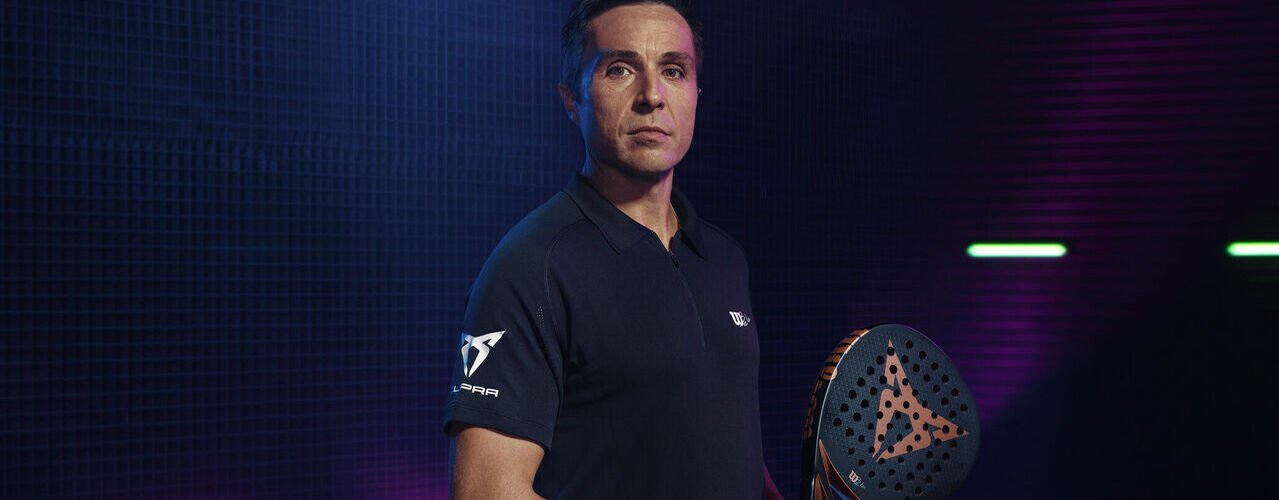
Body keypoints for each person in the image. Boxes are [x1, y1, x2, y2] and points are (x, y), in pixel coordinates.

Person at [444, 1, 783, 498]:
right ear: (571, 99)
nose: (652, 96)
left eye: (673, 70)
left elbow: (724, 445)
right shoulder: (530, 267)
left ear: (695, 95)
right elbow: (484, 491)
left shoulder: (725, 257)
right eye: (620, 69)